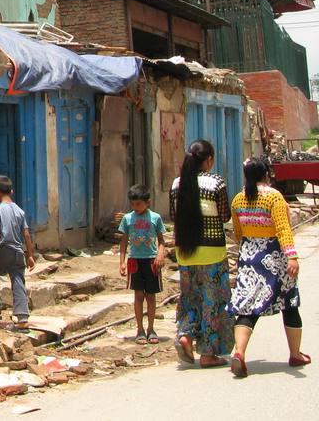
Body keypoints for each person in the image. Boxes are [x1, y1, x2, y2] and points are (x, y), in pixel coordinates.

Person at [227, 156, 308, 377]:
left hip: (249, 256)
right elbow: (283, 230)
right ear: (266, 174)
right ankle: (295, 354)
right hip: (274, 257)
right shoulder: (274, 197)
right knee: (289, 302)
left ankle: (240, 353)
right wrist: (292, 257)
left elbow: (238, 232)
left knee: (247, 306)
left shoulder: (237, 199)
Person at [170, 139, 234, 367]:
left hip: (184, 251)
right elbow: (225, 215)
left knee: (190, 297)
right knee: (212, 301)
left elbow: (173, 215)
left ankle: (185, 335)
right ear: (208, 161)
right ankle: (208, 353)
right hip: (212, 252)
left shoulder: (177, 184)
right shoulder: (216, 182)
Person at [0, 175, 37, 330]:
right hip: (18, 251)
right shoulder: (20, 211)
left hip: (4, 249)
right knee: (18, 281)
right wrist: (30, 256)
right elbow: (27, 234)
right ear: (12, 191)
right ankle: (22, 319)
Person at [118, 183, 167, 344]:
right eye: (132, 204)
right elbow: (123, 242)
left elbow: (161, 241)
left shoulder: (155, 218)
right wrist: (122, 262)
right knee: (138, 295)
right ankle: (140, 330)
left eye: (138, 203)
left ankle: (151, 329)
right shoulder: (127, 219)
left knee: (151, 296)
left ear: (148, 202)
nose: (135, 207)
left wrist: (160, 254)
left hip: (152, 260)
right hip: (135, 261)